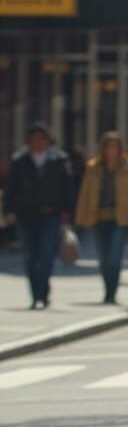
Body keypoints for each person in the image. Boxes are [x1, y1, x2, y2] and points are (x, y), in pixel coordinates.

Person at [3, 123, 74, 309]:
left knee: (46, 255)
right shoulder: (20, 161)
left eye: (42, 138)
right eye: (34, 138)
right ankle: (36, 295)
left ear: (48, 140)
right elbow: (11, 187)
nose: (38, 142)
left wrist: (68, 212)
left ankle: (43, 292)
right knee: (29, 256)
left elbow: (67, 188)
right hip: (26, 216)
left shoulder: (58, 160)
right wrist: (8, 210)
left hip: (50, 214)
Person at [75, 132, 128, 304]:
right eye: (108, 147)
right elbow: (85, 194)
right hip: (99, 219)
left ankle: (112, 292)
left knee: (115, 257)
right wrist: (81, 219)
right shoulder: (93, 167)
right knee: (103, 258)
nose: (111, 151)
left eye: (114, 147)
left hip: (121, 220)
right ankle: (107, 288)